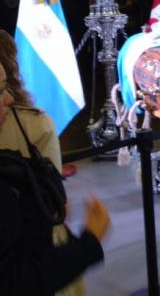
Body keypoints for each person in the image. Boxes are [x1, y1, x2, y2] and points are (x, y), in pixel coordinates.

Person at [0, 31, 111, 296]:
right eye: (0, 89)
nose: (9, 98)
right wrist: (90, 240)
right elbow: (54, 205)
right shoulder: (35, 124)